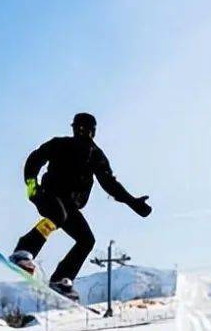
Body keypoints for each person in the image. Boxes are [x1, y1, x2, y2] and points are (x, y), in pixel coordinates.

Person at [10, 112, 151, 300]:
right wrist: (31, 187)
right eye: (78, 129)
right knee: (58, 215)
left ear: (93, 132)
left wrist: (133, 202)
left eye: (85, 130)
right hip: (48, 194)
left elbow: (109, 184)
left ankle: (61, 279)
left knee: (86, 240)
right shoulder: (60, 144)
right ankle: (24, 251)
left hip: (70, 205)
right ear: (74, 129)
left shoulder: (96, 156)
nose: (81, 133)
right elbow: (34, 160)